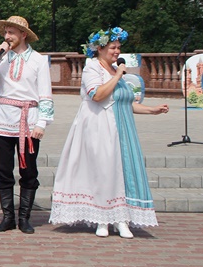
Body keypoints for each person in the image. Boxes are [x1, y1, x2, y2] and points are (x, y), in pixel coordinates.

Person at [50, 27, 167, 238]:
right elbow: (97, 95)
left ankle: (121, 219)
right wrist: (119, 74)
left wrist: (152, 110)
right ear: (100, 49)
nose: (117, 51)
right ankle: (102, 218)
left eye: (118, 47)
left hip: (122, 128)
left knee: (121, 172)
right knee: (103, 170)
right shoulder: (92, 68)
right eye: (113, 47)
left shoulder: (115, 72)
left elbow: (124, 103)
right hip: (99, 126)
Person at [0, 15, 53, 234]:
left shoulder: (38, 60)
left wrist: (41, 123)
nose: (7, 36)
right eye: (5, 32)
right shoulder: (0, 58)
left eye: (11, 32)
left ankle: (24, 218)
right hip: (2, 120)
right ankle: (8, 217)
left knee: (28, 170)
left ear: (23, 34)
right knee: (2, 170)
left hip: (28, 121)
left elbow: (45, 94)